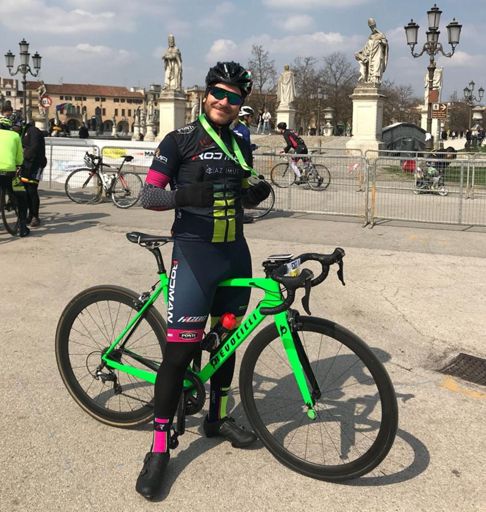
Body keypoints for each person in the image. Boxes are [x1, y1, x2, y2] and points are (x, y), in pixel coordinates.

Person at [136, 61, 271, 500]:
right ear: (205, 93)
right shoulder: (179, 140)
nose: (224, 102)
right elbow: (148, 195)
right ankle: (158, 449)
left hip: (235, 255)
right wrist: (182, 196)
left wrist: (254, 193)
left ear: (240, 104)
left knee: (226, 342)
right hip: (194, 256)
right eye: (219, 92)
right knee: (179, 354)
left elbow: (243, 189)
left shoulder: (240, 142)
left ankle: (217, 417)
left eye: (234, 97)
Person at [0, 115, 29, 237]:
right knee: (21, 197)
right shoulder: (15, 136)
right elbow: (19, 157)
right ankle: (22, 227)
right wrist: (19, 164)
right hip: (9, 172)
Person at [16, 119, 47, 227]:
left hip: (35, 165)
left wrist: (23, 157)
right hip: (26, 164)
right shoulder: (24, 132)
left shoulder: (33, 131)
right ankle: (30, 215)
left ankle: (35, 216)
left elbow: (34, 147)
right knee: (26, 190)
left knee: (32, 190)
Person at [355, 18, 388, 85]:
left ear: (375, 25)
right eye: (371, 27)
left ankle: (375, 80)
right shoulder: (370, 37)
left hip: (377, 55)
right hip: (370, 56)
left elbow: (385, 44)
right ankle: (368, 80)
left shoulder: (381, 35)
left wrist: (381, 41)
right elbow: (366, 47)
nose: (372, 28)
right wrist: (361, 54)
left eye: (373, 26)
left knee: (376, 68)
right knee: (369, 69)